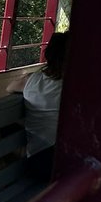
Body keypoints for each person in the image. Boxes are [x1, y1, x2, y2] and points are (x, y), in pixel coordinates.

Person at [8, 31, 69, 182]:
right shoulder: (72, 86)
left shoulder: (31, 80)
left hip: (37, 162)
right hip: (59, 164)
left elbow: (10, 88)